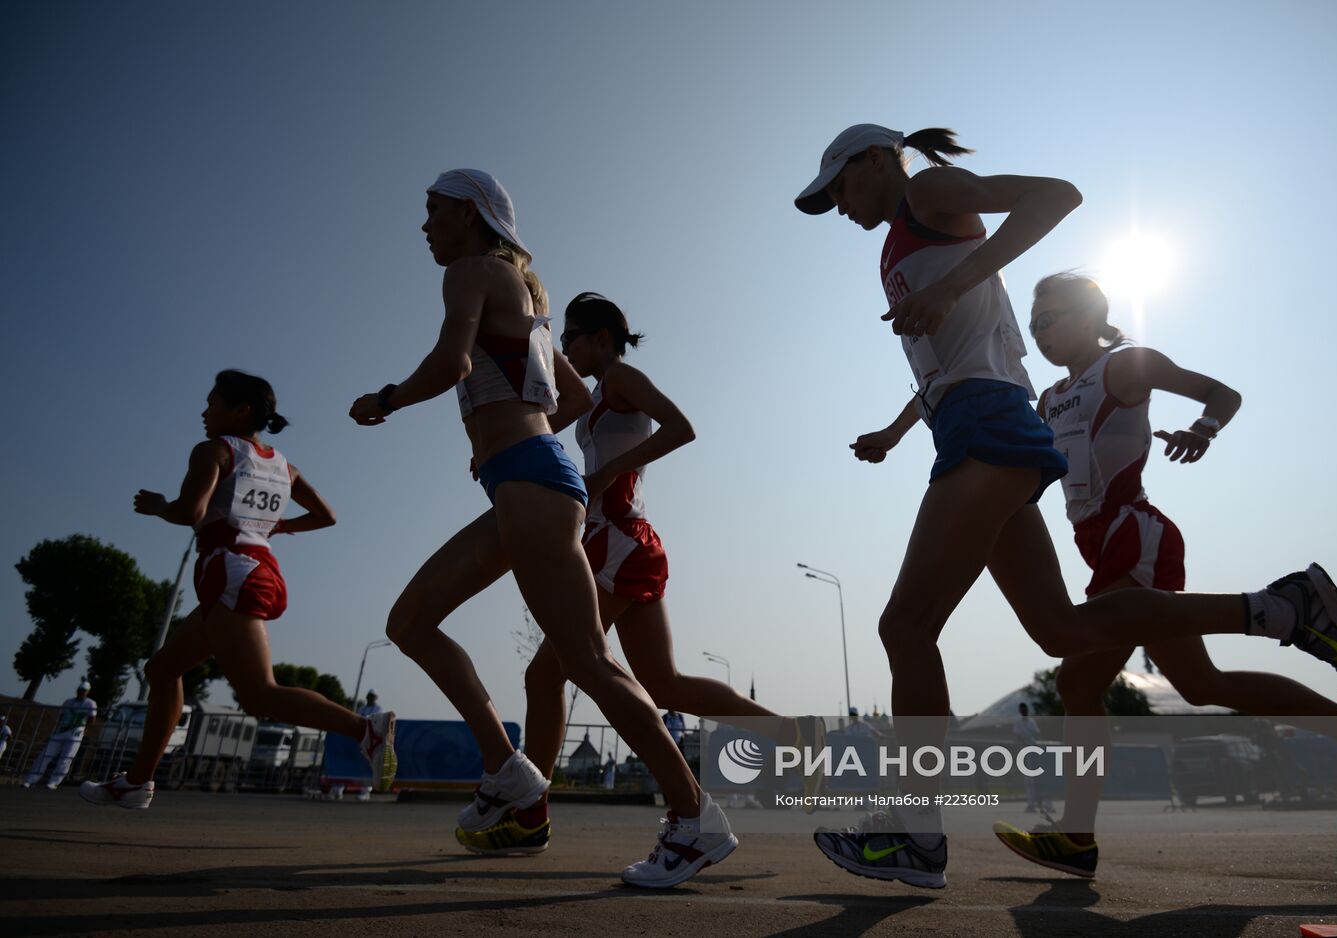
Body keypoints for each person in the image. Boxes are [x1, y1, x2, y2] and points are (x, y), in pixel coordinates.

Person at [793, 123, 1337, 890]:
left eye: (840, 185)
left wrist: (945, 285)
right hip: (977, 422)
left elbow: (1056, 198)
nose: (838, 204)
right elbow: (967, 353)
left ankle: (916, 830)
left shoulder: (927, 195)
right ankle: (1274, 610)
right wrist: (896, 428)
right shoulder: (903, 241)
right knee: (1062, 635)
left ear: (878, 160)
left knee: (905, 626)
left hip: (991, 429)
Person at [348, 170, 735, 887]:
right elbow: (578, 394)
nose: (424, 226)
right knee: (410, 621)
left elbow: (452, 360)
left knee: (587, 660)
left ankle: (693, 817)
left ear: (469, 213)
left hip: (531, 484)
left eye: (432, 211)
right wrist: (513, 440)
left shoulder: (471, 270)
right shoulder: (525, 296)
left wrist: (388, 399)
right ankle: (512, 774)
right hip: (524, 481)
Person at [993, 273, 1337, 877]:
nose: (1043, 333)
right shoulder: (1048, 399)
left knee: (1078, 684)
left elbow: (1222, 394)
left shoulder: (1126, 365)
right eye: (1035, 324)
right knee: (1203, 684)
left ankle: (1076, 837)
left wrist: (1201, 432)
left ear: (1090, 312)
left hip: (1136, 533)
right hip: (1096, 545)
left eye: (1053, 317)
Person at [458, 292, 823, 856]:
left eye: (573, 337)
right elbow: (552, 419)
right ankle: (791, 736)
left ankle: (533, 809)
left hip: (621, 538)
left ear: (602, 338)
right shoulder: (597, 393)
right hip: (621, 541)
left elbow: (682, 427)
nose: (565, 348)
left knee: (546, 674)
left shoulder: (624, 378)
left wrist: (607, 475)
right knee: (664, 684)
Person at [80, 370, 396, 810]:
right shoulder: (283, 465)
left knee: (258, 695)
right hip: (253, 567)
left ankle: (366, 731)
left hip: (231, 570)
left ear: (240, 410)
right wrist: (276, 526)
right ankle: (137, 782)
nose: (204, 412)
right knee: (162, 670)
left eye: (213, 403)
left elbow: (192, 512)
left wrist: (157, 507)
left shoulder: (214, 450)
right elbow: (326, 515)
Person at [23, 679, 97, 789]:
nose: (81, 692)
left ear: (87, 692)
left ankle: (53, 782)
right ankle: (31, 779)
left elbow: (92, 719)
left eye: (84, 691)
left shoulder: (90, 703)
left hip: (75, 732)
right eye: (80, 690)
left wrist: (85, 730)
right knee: (45, 754)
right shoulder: (68, 701)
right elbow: (62, 715)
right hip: (61, 731)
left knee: (66, 758)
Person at [1010, 702, 1049, 814]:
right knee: (1029, 779)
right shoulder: (1018, 723)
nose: (1024, 711)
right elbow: (1017, 736)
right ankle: (1031, 804)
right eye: (1022, 710)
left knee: (1040, 777)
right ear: (1020, 711)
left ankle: (1045, 804)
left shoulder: (1032, 722)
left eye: (1025, 709)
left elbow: (1037, 734)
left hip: (1035, 750)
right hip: (1025, 751)